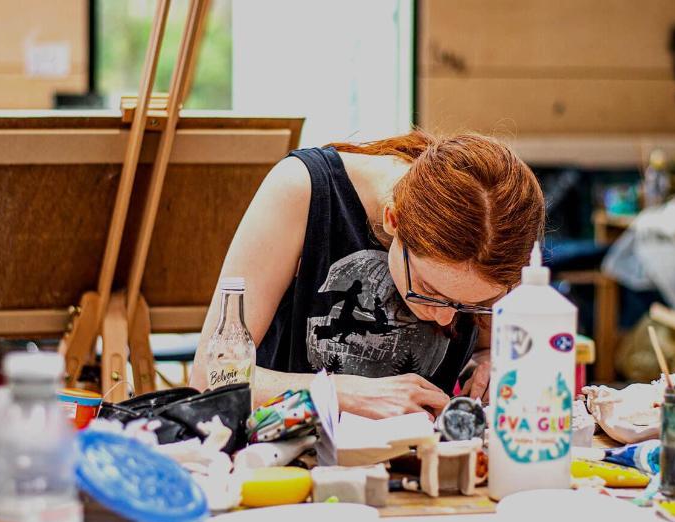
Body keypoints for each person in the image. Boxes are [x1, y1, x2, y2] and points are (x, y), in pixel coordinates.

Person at [189, 130, 545, 419]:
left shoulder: (495, 231)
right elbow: (211, 377)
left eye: (471, 304)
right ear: (393, 220)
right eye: (427, 290)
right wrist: (341, 393)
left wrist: (487, 361)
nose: (445, 315)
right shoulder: (304, 190)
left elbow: (489, 349)